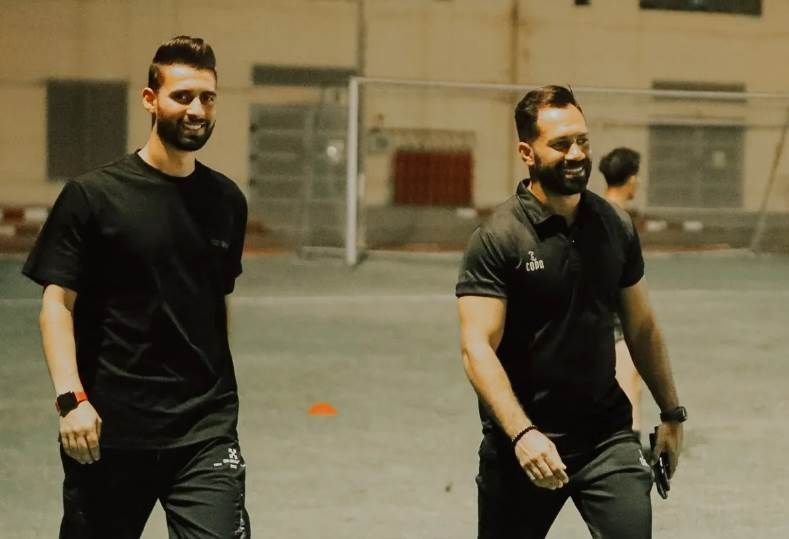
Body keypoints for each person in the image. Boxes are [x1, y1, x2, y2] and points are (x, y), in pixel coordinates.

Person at [23, 36, 250, 538]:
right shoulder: (93, 196)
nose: (197, 110)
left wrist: (215, 388)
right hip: (109, 431)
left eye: (207, 98)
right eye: (182, 96)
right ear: (151, 99)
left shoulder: (226, 201)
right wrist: (71, 400)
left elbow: (219, 301)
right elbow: (56, 305)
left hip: (204, 432)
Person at [455, 85, 686, 538]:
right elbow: (476, 348)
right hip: (523, 444)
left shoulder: (614, 225)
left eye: (582, 140)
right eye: (561, 144)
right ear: (527, 152)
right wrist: (522, 434)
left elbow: (642, 327)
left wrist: (672, 414)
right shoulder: (499, 238)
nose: (577, 154)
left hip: (606, 440)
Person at [599, 147, 643, 436]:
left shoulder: (596, 209)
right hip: (613, 309)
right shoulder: (617, 218)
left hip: (606, 307)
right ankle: (632, 440)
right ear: (631, 179)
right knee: (630, 374)